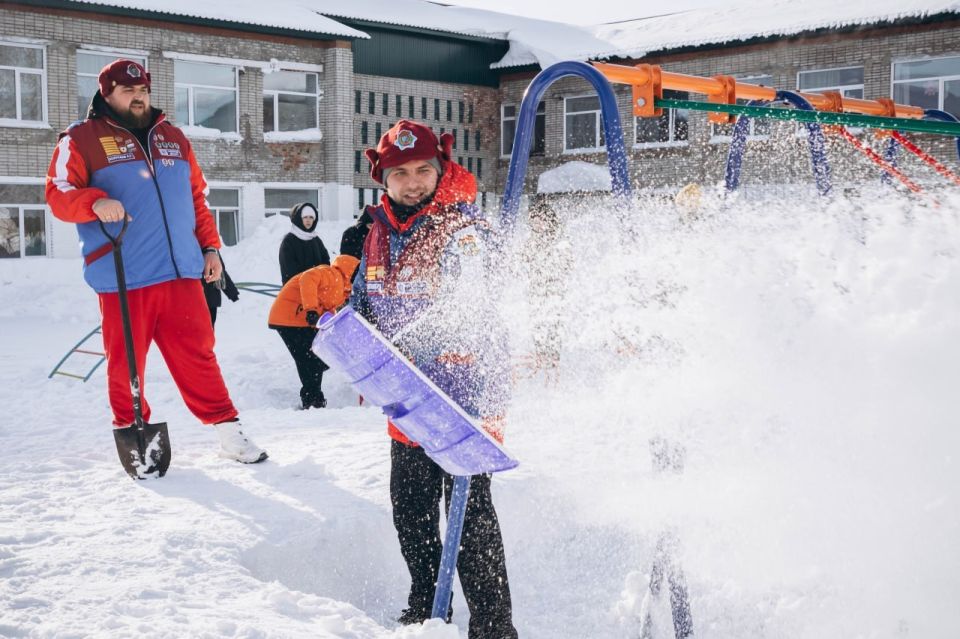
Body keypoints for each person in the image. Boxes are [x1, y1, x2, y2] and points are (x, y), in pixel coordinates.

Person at [309, 120, 518, 638]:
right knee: (411, 511)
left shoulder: (464, 231)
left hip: (465, 395)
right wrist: (340, 322)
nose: (413, 182)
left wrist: (407, 349)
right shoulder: (377, 232)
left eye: (424, 169)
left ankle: (494, 627)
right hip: (406, 399)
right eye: (400, 173)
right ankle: (427, 606)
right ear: (383, 179)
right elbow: (366, 303)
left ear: (441, 168)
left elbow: (473, 308)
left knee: (471, 519)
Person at [45, 58, 267, 464]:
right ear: (107, 93)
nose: (138, 97)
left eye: (143, 90)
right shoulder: (81, 139)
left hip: (182, 271)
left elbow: (195, 198)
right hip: (124, 273)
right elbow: (57, 194)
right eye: (128, 91)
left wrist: (210, 248)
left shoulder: (174, 138)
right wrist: (96, 201)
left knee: (199, 354)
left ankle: (228, 430)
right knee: (126, 362)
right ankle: (133, 433)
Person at [267, 254, 358, 409]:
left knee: (315, 358)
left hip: (300, 321)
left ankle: (314, 398)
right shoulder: (331, 274)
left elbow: (327, 307)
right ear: (352, 272)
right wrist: (311, 310)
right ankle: (312, 400)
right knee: (308, 359)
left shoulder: (343, 289)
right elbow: (307, 278)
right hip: (289, 317)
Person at [279, 202, 329, 284]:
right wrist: (307, 283)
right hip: (295, 289)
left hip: (315, 289)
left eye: (311, 217)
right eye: (305, 217)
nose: (308, 220)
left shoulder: (316, 239)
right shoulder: (289, 241)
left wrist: (321, 279)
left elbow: (325, 262)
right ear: (299, 219)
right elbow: (289, 270)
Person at [203, 255, 240, 327]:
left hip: (211, 299)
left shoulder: (211, 250)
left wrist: (232, 293)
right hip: (207, 299)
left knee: (209, 326)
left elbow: (220, 272)